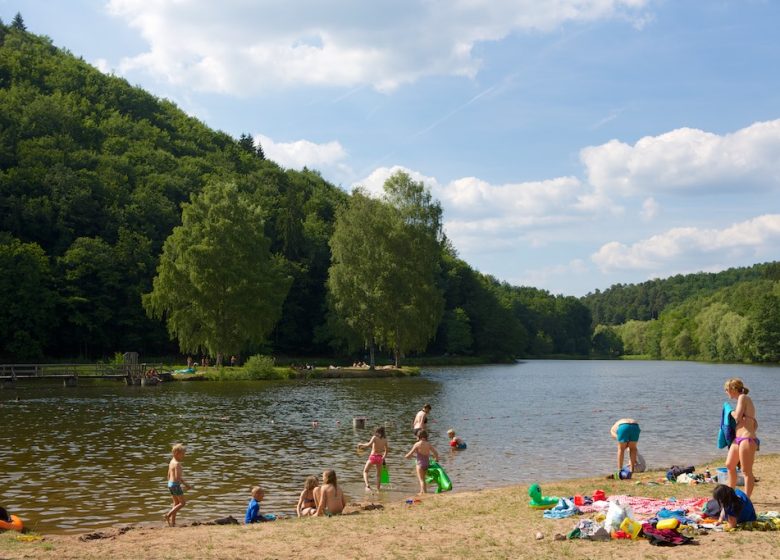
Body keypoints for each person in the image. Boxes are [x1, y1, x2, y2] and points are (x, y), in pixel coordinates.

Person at [724, 378, 759, 497]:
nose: (726, 392)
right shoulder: (742, 399)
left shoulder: (743, 397)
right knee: (729, 465)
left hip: (747, 439)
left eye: (726, 389)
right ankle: (731, 494)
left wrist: (729, 410)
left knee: (746, 471)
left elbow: (737, 417)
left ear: (733, 389)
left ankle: (746, 499)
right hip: (738, 439)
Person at [164, 443, 192, 527]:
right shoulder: (177, 464)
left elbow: (168, 474)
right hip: (175, 485)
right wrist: (186, 485)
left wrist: (169, 483)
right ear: (176, 453)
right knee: (182, 503)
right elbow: (178, 477)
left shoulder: (171, 462)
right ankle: (168, 515)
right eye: (182, 454)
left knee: (176, 503)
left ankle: (173, 523)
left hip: (170, 484)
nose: (183, 456)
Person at [404, 430, 439, 494]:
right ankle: (422, 491)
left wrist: (406, 456)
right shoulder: (428, 444)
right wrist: (436, 459)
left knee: (421, 480)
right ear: (426, 436)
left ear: (418, 436)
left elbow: (410, 454)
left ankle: (424, 493)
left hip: (420, 464)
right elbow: (436, 453)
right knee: (423, 479)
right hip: (426, 463)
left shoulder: (417, 444)